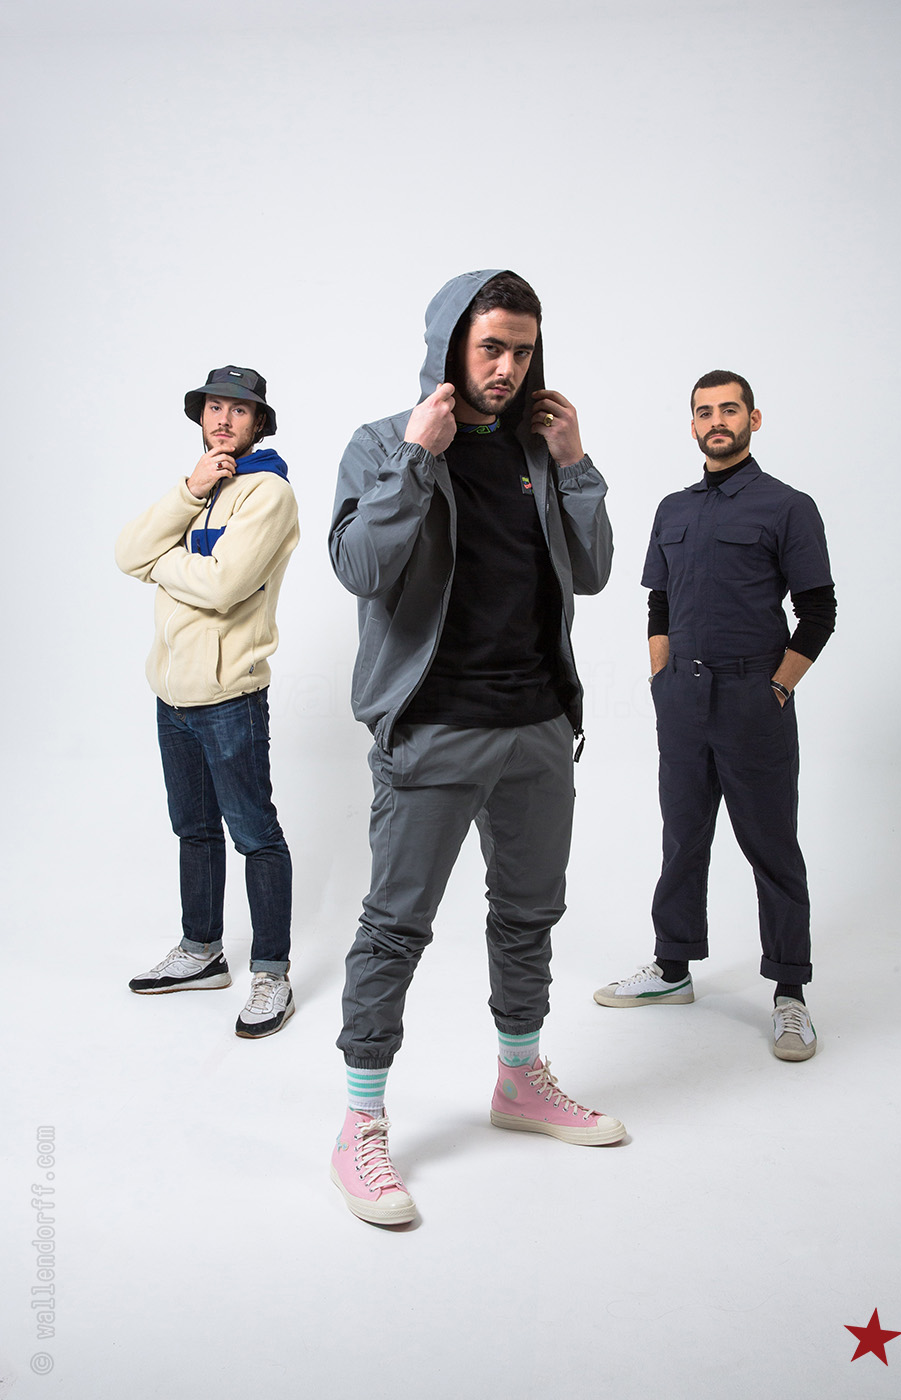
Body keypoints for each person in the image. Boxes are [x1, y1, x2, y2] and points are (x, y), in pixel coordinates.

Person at [328, 269, 624, 1225]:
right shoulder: (384, 441)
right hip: (433, 730)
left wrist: (575, 464)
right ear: (451, 345)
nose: (507, 368)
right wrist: (417, 456)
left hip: (536, 727)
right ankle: (360, 1122)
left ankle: (519, 1080)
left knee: (528, 916)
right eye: (491, 346)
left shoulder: (538, 449)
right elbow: (360, 567)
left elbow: (591, 571)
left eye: (522, 351)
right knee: (394, 929)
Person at [595, 371, 835, 1061]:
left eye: (729, 409)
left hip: (752, 700)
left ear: (753, 419)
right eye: (704, 412)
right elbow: (659, 603)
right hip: (682, 700)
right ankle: (672, 968)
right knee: (682, 836)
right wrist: (661, 679)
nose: (716, 421)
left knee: (771, 846)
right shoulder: (672, 508)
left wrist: (777, 689)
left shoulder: (787, 506)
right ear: (693, 424)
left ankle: (789, 993)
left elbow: (818, 612)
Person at [116, 365, 299, 1039]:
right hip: (171, 695)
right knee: (193, 829)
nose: (223, 419)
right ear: (201, 417)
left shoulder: (268, 491)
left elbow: (222, 588)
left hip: (228, 698)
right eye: (214, 407)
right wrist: (188, 492)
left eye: (238, 410)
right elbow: (126, 552)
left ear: (258, 422)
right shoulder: (201, 486)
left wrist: (158, 564)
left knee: (255, 835)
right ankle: (202, 952)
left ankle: (271, 973)